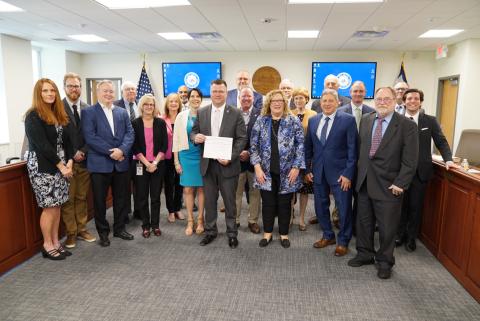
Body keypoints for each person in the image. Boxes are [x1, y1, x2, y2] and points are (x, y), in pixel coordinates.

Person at [348, 87, 418, 279]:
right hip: (364, 182)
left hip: (389, 185)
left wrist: (401, 183)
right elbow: (362, 151)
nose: (382, 102)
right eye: (379, 99)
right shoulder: (367, 120)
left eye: (387, 99)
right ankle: (364, 253)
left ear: (396, 100)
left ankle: (385, 261)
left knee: (387, 227)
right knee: (363, 223)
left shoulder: (406, 125)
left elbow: (411, 160)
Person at [396, 88, 458, 252]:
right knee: (400, 205)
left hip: (420, 172)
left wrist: (449, 159)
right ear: (404, 101)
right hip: (400, 171)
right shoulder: (397, 120)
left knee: (416, 207)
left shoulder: (429, 121)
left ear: (420, 102)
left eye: (416, 98)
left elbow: (441, 141)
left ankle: (411, 238)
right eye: (409, 98)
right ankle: (399, 234)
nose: (412, 101)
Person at [191, 79, 247, 248]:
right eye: (214, 91)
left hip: (228, 165)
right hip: (208, 165)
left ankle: (232, 233)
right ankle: (210, 231)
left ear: (226, 93)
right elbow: (194, 132)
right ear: (211, 92)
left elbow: (242, 138)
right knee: (209, 201)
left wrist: (230, 156)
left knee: (230, 202)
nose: (217, 94)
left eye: (221, 91)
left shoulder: (236, 113)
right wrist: (195, 137)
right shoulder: (202, 112)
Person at [24, 78, 74, 260]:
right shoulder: (33, 116)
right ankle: (47, 244)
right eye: (45, 91)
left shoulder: (58, 113)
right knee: (49, 207)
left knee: (58, 205)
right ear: (39, 94)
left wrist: (69, 162)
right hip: (43, 167)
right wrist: (61, 166)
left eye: (52, 90)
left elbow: (68, 141)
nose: (49, 94)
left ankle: (56, 242)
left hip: (62, 167)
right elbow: (43, 145)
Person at [82, 80, 135, 247]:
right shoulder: (89, 112)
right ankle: (103, 233)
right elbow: (90, 137)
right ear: (98, 93)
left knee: (121, 198)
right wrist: (112, 152)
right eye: (105, 91)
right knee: (99, 201)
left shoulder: (121, 112)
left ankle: (119, 228)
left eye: (111, 91)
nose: (109, 94)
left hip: (121, 163)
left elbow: (130, 133)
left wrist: (122, 150)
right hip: (100, 164)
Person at [305, 89, 358, 257]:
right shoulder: (313, 121)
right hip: (318, 172)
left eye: (330, 101)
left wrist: (348, 173)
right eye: (324, 101)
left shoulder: (348, 121)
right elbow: (308, 148)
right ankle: (328, 235)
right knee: (320, 206)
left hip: (340, 174)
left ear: (338, 103)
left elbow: (353, 150)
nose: (327, 103)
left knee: (343, 209)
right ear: (320, 103)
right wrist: (307, 169)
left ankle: (343, 241)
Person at [250, 89, 305, 248]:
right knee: (267, 203)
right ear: (269, 103)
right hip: (265, 172)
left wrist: (296, 167)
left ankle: (283, 234)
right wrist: (257, 167)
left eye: (280, 100)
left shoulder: (293, 120)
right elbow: (253, 146)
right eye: (274, 101)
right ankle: (267, 234)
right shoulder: (261, 120)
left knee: (284, 204)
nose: (277, 103)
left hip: (288, 172)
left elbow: (300, 145)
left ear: (284, 103)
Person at [61, 72, 96, 249]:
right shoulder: (57, 108)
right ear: (64, 87)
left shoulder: (88, 108)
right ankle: (71, 233)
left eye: (77, 86)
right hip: (65, 163)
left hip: (84, 161)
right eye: (70, 86)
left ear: (81, 88)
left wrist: (82, 151)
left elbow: (93, 134)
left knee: (82, 197)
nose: (74, 89)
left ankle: (82, 229)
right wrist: (72, 154)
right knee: (68, 199)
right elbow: (57, 137)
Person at [337, 81, 375, 233]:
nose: (358, 94)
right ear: (350, 93)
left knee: (361, 197)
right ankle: (343, 224)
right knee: (343, 197)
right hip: (345, 162)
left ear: (365, 93)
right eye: (355, 91)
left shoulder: (372, 112)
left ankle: (357, 227)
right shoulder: (341, 112)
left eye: (361, 91)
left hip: (365, 163)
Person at [132, 94, 168, 238]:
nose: (149, 107)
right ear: (142, 106)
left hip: (157, 165)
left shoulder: (160, 123)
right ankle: (145, 226)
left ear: (154, 107)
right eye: (146, 104)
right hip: (141, 164)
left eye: (151, 104)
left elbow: (164, 146)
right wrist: (147, 163)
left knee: (155, 197)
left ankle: (155, 225)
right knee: (141, 197)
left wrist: (154, 163)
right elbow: (134, 147)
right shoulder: (135, 123)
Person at [173, 88, 205, 236]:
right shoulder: (181, 116)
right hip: (186, 156)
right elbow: (176, 140)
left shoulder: (206, 114)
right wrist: (176, 162)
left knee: (201, 189)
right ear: (188, 98)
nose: (195, 99)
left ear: (201, 99)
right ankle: (190, 221)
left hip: (202, 156)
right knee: (187, 189)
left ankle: (200, 221)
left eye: (198, 96)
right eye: (192, 96)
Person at [235, 87, 261, 234]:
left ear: (253, 98)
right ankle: (236, 220)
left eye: (249, 96)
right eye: (243, 96)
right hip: (236, 161)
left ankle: (253, 221)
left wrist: (250, 152)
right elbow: (228, 135)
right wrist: (238, 152)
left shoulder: (261, 114)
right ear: (239, 98)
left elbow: (263, 138)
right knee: (236, 193)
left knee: (255, 193)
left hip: (254, 161)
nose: (246, 98)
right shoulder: (232, 113)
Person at [291, 87, 317, 231]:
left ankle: (301, 218)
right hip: (291, 158)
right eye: (296, 98)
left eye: (301, 98)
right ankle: (289, 216)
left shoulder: (313, 115)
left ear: (306, 99)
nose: (299, 100)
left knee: (304, 190)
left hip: (306, 157)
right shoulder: (289, 113)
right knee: (290, 188)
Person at [114, 81, 140, 221]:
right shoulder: (115, 106)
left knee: (139, 183)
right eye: (127, 89)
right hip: (123, 152)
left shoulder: (140, 106)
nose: (131, 91)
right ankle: (124, 213)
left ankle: (139, 211)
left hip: (139, 153)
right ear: (122, 91)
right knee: (123, 185)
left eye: (133, 89)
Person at [161, 93, 185, 223]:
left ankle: (177, 209)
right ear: (167, 104)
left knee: (179, 184)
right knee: (169, 184)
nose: (174, 103)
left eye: (176, 101)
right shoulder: (161, 119)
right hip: (167, 157)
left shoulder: (183, 118)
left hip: (181, 155)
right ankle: (170, 210)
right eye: (171, 101)